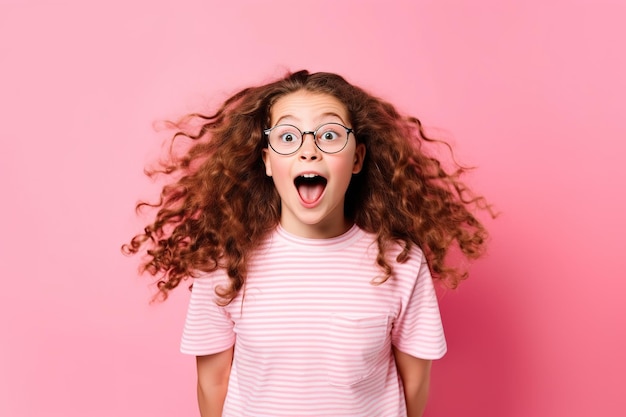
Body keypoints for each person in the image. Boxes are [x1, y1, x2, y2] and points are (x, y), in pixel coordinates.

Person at [123, 70, 491, 417]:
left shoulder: (401, 263)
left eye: (329, 135)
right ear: (267, 162)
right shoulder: (225, 263)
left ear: (357, 157)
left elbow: (414, 385)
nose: (308, 151)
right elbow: (212, 382)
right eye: (287, 137)